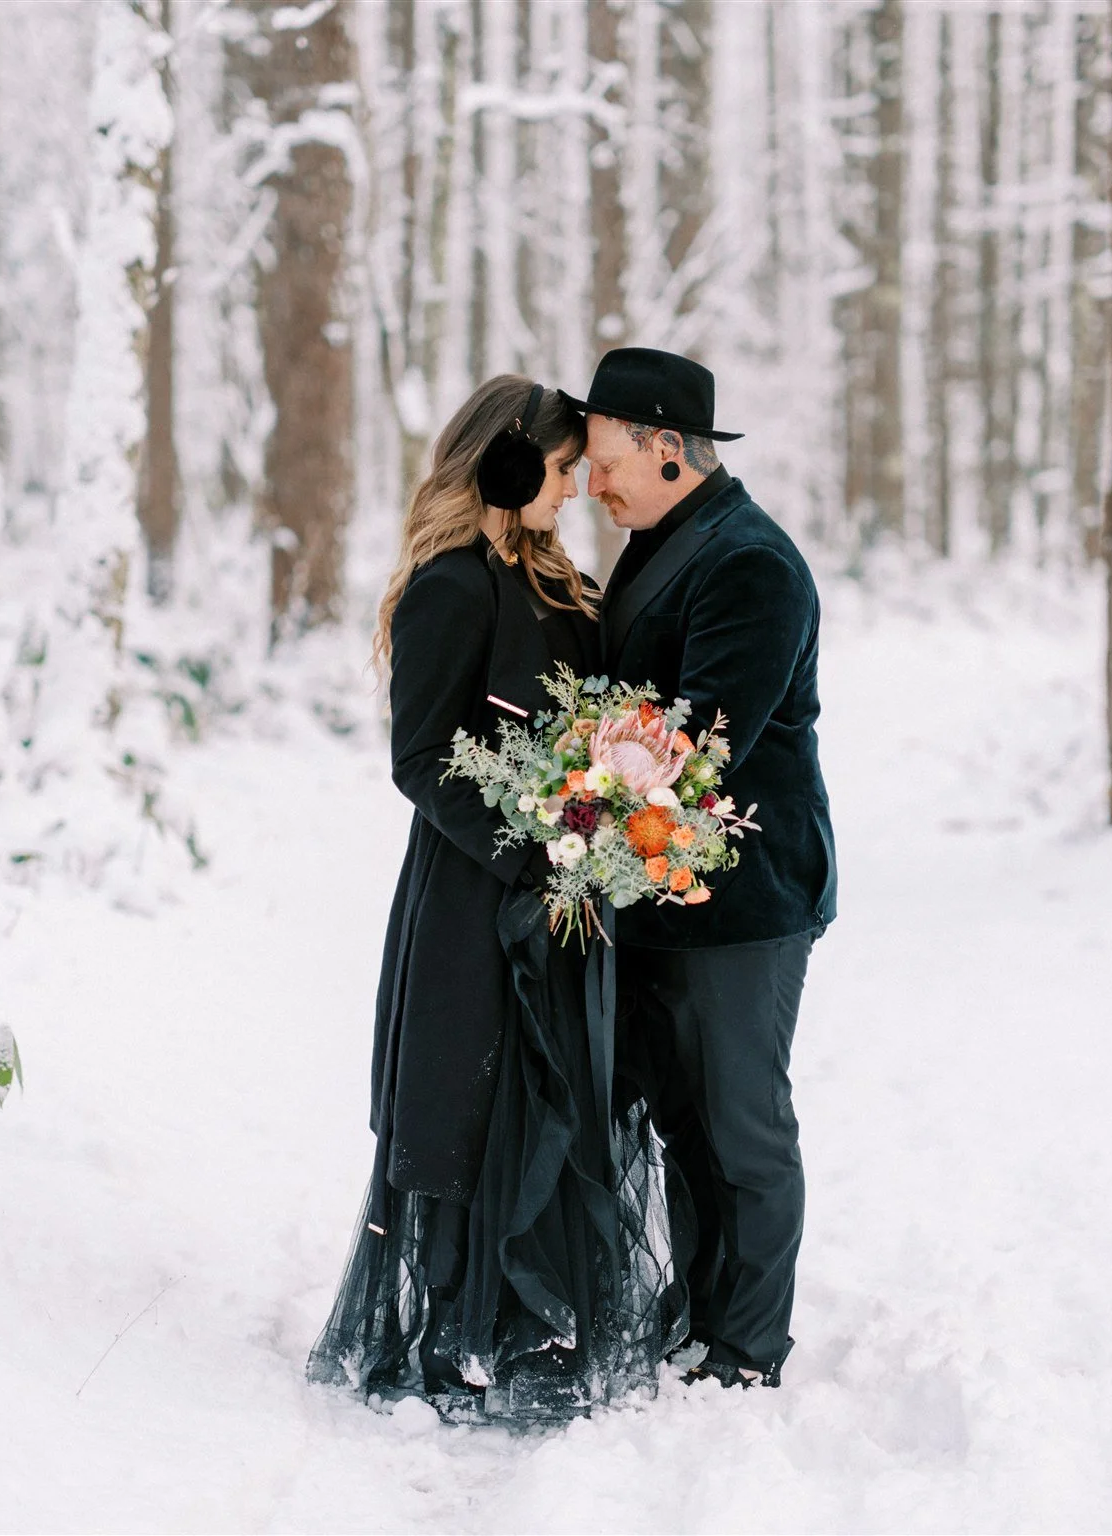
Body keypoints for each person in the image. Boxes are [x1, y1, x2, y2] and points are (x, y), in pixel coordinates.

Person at [307, 375, 681, 1423]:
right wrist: (532, 846)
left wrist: (615, 800)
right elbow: (422, 758)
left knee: (562, 1097)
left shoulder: (552, 579)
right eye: (561, 471)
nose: (569, 491)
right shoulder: (451, 585)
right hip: (479, 895)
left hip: (562, 890)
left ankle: (543, 1323)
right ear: (510, 465)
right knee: (488, 1100)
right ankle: (494, 1330)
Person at [582, 347, 838, 1389]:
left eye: (606, 462)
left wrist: (571, 774)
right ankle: (697, 1314)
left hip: (743, 899)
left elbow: (700, 734)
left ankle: (745, 1349)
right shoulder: (662, 538)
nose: (593, 484)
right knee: (684, 1123)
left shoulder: (749, 562)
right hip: (664, 893)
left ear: (667, 450)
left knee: (740, 1127)